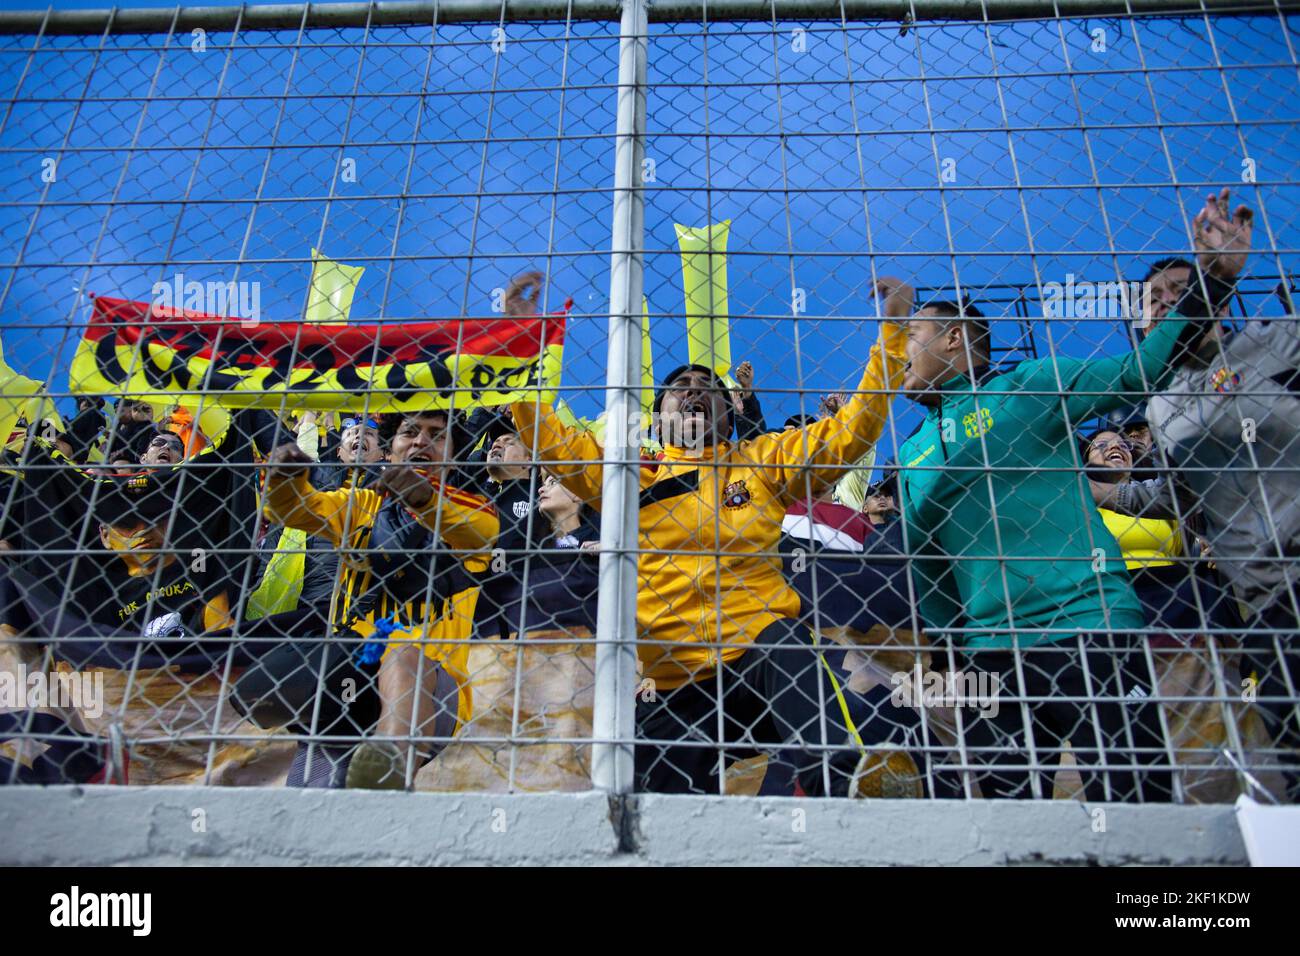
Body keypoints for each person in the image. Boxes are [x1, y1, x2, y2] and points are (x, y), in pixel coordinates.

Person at [510, 272, 922, 797]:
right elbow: (553, 441)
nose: (693, 392)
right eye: (679, 388)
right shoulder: (628, 475)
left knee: (789, 642)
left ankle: (837, 783)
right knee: (656, 819)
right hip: (671, 682)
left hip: (760, 663)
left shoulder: (763, 460)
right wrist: (520, 349)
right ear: (658, 417)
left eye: (708, 388)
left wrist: (892, 335)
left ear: (729, 414)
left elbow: (851, 433)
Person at [892, 232, 1232, 801]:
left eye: (910, 334)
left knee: (1133, 802)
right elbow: (927, 563)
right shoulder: (912, 451)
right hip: (991, 652)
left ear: (954, 340)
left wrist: (1213, 278)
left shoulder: (1030, 386)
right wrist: (955, 646)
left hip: (1089, 624)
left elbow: (1139, 369)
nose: (895, 349)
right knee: (1004, 818)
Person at [1095, 188, 1299, 798]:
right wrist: (1100, 490)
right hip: (1267, 598)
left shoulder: (1278, 341)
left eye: (1183, 292)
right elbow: (1182, 497)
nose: (1168, 306)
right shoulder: (1160, 407)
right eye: (1154, 301)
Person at [241, 408, 499, 790]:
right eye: (409, 431)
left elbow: (482, 534)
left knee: (403, 654)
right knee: (313, 787)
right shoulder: (361, 503)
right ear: (389, 451)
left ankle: (388, 762)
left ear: (454, 456)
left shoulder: (471, 507)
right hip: (349, 675)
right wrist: (284, 480)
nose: (420, 440)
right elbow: (297, 510)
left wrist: (425, 498)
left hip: (431, 691)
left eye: (436, 434)